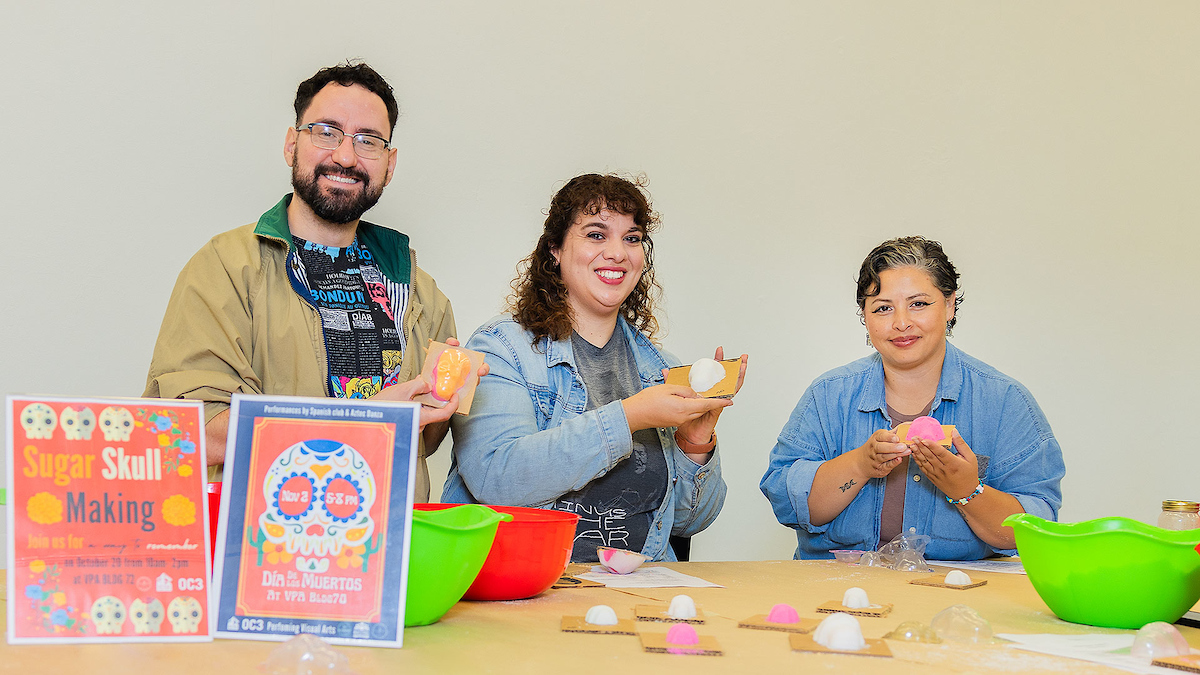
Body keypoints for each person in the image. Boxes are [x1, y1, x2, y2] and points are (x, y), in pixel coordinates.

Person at [144, 62, 475, 501]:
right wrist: (359, 420)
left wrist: (446, 396)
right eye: (326, 132)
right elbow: (190, 432)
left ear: (389, 164)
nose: (345, 156)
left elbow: (424, 444)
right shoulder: (226, 267)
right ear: (291, 144)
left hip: (389, 551)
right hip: (261, 551)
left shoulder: (418, 290)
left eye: (368, 141)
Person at [442, 174, 746, 562]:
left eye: (632, 238)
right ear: (555, 249)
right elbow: (496, 478)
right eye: (596, 234)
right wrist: (629, 416)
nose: (618, 253)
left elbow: (688, 522)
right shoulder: (498, 349)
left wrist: (695, 444)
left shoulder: (662, 370)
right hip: (532, 587)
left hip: (641, 592)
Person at [760, 236, 1064, 560]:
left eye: (918, 304)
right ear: (864, 315)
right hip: (837, 594)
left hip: (957, 596)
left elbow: (1035, 529)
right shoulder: (828, 395)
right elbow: (787, 504)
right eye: (883, 308)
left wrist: (966, 491)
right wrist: (860, 464)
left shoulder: (1004, 402)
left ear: (949, 305)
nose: (901, 323)